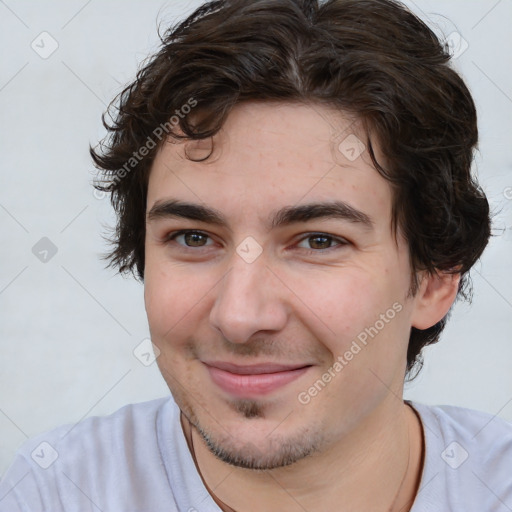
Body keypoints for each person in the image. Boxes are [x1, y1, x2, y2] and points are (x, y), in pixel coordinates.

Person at [1, 0, 510, 510]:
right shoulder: (58, 492)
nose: (239, 317)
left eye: (318, 241)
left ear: (435, 277)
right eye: (194, 238)